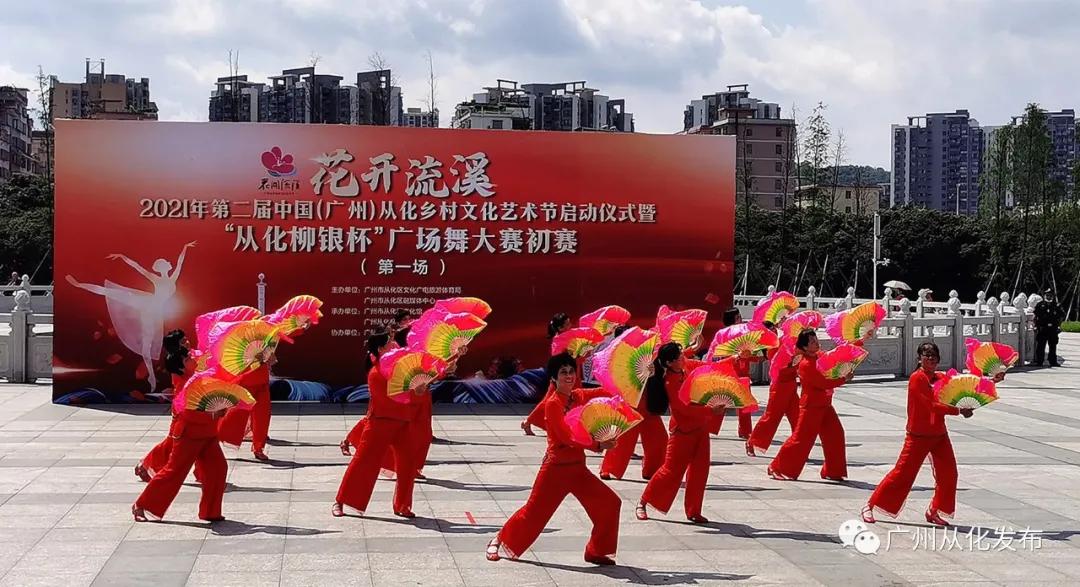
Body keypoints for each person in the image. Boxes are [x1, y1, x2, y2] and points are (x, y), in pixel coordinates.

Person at [486, 352, 621, 565]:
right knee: (533, 514)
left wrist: (623, 386)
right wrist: (598, 445)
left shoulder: (578, 396)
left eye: (571, 371)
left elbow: (605, 393)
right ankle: (501, 539)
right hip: (556, 470)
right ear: (554, 378)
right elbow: (566, 437)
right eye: (563, 372)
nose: (569, 376)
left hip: (578, 470)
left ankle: (596, 551)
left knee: (610, 503)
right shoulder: (553, 404)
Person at [862, 342, 1002, 526]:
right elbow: (931, 406)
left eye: (934, 356)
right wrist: (959, 411)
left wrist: (992, 379)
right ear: (919, 358)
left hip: (938, 434)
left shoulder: (939, 378)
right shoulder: (917, 378)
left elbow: (967, 384)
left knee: (949, 473)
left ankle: (934, 510)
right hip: (918, 434)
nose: (930, 359)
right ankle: (870, 505)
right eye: (926, 355)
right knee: (902, 473)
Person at [66, 241, 196, 392]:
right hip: (148, 302)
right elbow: (137, 267)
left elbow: (180, 262)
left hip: (154, 310)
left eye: (167, 262)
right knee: (114, 293)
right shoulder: (156, 278)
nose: (169, 263)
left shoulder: (172, 278)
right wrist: (123, 257)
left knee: (147, 345)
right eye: (166, 262)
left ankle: (151, 377)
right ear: (162, 267)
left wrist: (185, 248)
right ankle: (79, 284)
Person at [334, 332, 425, 519]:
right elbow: (394, 397)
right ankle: (340, 500)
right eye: (390, 341)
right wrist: (414, 390)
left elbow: (417, 386)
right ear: (381, 349)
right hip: (380, 423)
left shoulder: (403, 365)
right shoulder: (376, 373)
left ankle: (402, 505)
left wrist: (452, 358)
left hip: (403, 422)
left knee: (408, 464)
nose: (394, 343)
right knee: (364, 462)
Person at [131, 369, 235, 523]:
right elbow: (183, 409)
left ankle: (210, 511)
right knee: (174, 472)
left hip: (209, 434)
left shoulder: (223, 379)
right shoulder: (196, 381)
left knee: (218, 469)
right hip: (189, 433)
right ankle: (142, 505)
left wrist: (221, 410)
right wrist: (210, 412)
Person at [636, 344, 722, 524]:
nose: (683, 357)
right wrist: (709, 410)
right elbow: (683, 409)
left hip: (700, 428)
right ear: (669, 362)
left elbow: (706, 367)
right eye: (679, 356)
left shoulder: (686, 367)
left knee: (700, 471)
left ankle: (693, 510)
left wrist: (734, 360)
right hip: (682, 431)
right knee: (670, 471)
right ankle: (643, 502)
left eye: (682, 354)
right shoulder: (669, 381)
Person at [767, 330, 853, 481]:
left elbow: (836, 357)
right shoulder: (805, 364)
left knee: (836, 435)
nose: (816, 343)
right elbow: (822, 383)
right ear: (805, 347)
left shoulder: (820, 357)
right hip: (811, 406)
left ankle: (833, 471)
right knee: (801, 439)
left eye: (816, 340)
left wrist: (858, 341)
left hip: (825, 404)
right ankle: (777, 467)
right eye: (812, 342)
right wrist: (843, 379)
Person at [599, 342, 678, 481]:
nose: (680, 359)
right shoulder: (640, 362)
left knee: (659, 440)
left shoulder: (673, 366)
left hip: (650, 408)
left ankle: (651, 470)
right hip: (634, 405)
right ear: (668, 361)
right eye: (677, 357)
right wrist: (647, 373)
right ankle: (608, 469)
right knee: (622, 440)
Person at [135, 330, 197, 482]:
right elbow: (186, 383)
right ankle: (147, 463)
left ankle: (203, 472)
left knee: (197, 440)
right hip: (185, 405)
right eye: (183, 342)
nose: (187, 342)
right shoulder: (177, 361)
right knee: (175, 440)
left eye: (186, 339)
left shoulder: (191, 355)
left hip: (195, 403)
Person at [747, 334, 801, 457]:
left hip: (791, 388)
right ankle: (752, 442)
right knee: (771, 418)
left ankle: (797, 446)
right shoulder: (779, 347)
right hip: (779, 388)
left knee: (797, 417)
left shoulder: (799, 345)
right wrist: (792, 363)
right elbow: (778, 370)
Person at [520, 312, 574, 436]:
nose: (570, 325)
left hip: (567, 375)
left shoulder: (566, 337)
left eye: (570, 322)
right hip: (559, 377)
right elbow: (557, 359)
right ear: (560, 328)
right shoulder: (559, 339)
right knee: (548, 401)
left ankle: (529, 422)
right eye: (567, 324)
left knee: (550, 400)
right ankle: (528, 421)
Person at [711, 308, 756, 439]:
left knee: (742, 404)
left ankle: (745, 430)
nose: (741, 320)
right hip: (729, 371)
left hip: (739, 372)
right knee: (722, 402)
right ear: (733, 320)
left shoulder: (742, 334)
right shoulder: (725, 334)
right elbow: (716, 355)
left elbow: (751, 354)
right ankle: (711, 427)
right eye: (738, 318)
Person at [1034, 289, 1065, 367]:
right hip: (1042, 329)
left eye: (1050, 295)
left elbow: (1061, 316)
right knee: (1041, 346)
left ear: (1053, 296)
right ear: (1044, 296)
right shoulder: (1040, 305)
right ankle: (1039, 362)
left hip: (1053, 329)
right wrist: (1036, 326)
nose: (1048, 297)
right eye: (1047, 295)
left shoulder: (1057, 305)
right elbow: (1035, 316)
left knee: (1053, 346)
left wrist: (1059, 326)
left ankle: (1053, 361)